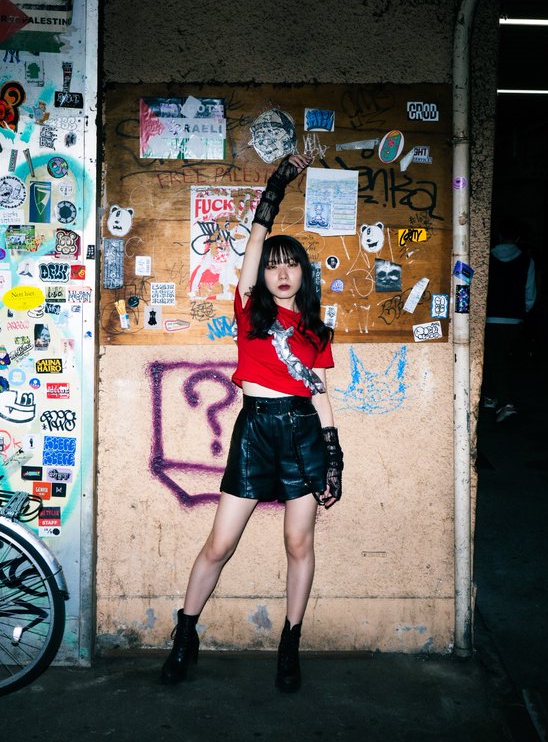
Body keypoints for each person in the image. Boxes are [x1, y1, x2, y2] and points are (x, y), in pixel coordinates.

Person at [160, 153, 343, 693]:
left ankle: (290, 644)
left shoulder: (314, 330)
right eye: (272, 264)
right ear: (263, 271)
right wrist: (278, 181)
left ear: (303, 274)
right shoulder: (249, 309)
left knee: (297, 543)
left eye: (291, 265)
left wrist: (333, 456)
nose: (281, 273)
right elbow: (256, 238)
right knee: (219, 544)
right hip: (255, 429)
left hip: (303, 432)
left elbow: (320, 392)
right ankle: (184, 635)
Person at [483, 222, 537, 422]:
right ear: (517, 238)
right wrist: (524, 311)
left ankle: (502, 402)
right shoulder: (526, 260)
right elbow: (529, 291)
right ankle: (493, 396)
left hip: (490, 317)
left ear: (498, 235)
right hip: (514, 319)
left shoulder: (486, 256)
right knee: (503, 359)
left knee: (493, 358)